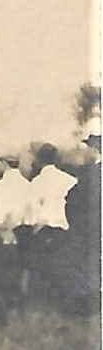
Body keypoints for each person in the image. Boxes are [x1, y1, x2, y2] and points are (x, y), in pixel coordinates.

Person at [26, 142, 78, 307]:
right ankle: (59, 304)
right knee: (61, 268)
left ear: (40, 160)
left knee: (39, 269)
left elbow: (32, 210)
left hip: (43, 230)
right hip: (64, 230)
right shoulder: (69, 180)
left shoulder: (37, 182)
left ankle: (39, 305)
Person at [0, 152, 32, 311]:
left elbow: (5, 211)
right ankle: (15, 308)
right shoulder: (26, 184)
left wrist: (5, 230)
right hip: (22, 232)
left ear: (4, 163)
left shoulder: (4, 185)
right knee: (15, 272)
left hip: (5, 232)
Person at [65, 119, 101, 315]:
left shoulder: (93, 172)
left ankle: (81, 308)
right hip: (90, 225)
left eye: (88, 145)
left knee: (83, 264)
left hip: (87, 225)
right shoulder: (91, 170)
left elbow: (77, 198)